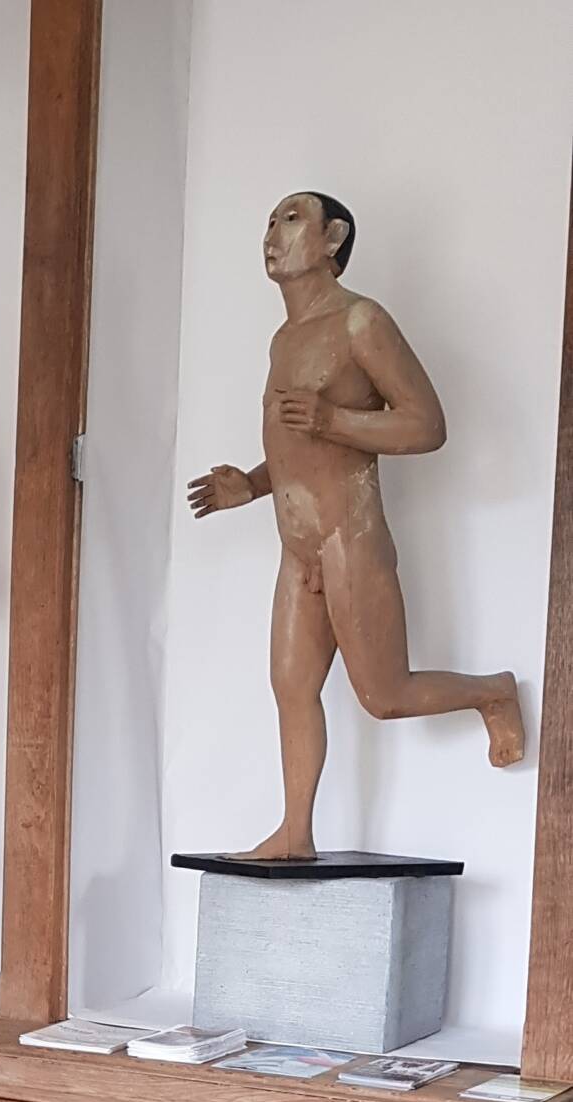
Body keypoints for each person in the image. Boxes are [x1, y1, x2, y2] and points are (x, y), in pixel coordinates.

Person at [188, 192, 524, 858]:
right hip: (297, 547)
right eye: (269, 222)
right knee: (291, 687)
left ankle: (494, 692)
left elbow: (427, 424)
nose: (272, 233)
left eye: (291, 219)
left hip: (351, 537)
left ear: (333, 238)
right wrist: (250, 485)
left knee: (384, 696)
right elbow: (298, 444)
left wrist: (333, 419)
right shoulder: (284, 339)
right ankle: (296, 833)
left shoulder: (361, 322)